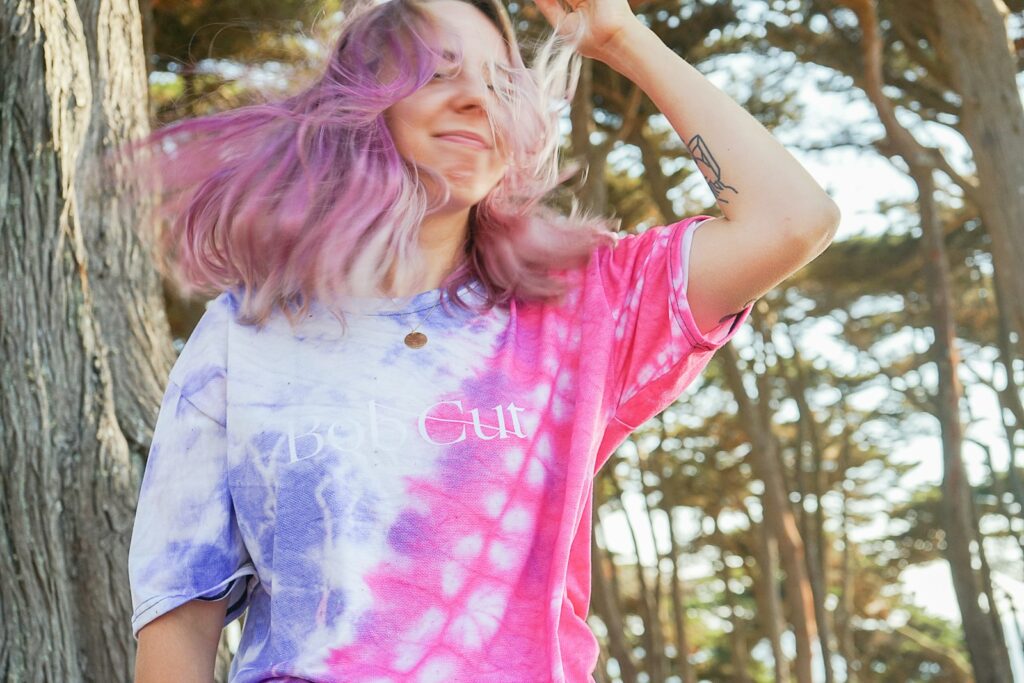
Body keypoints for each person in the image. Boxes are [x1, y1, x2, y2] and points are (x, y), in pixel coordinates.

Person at [127, 0, 839, 680]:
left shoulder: (579, 301)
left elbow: (792, 219)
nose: (475, 99)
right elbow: (179, 611)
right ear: (361, 103)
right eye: (436, 72)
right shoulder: (246, 334)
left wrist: (622, 40)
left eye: (500, 81)